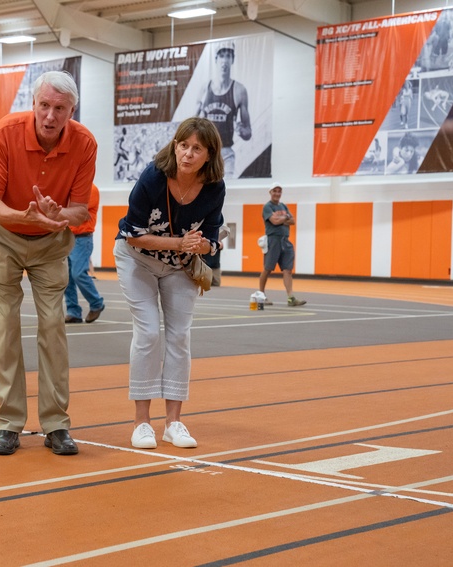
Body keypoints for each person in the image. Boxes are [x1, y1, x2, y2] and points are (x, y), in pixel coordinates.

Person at [0, 70, 96, 456]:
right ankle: (9, 423)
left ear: (71, 110)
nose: (50, 116)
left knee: (52, 327)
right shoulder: (5, 134)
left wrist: (58, 213)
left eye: (59, 108)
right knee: (6, 325)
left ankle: (56, 424)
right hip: (2, 237)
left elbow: (80, 211)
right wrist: (23, 217)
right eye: (44, 105)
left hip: (50, 241)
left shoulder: (84, 144)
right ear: (33, 103)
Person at [114, 117, 225, 450]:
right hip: (138, 259)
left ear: (209, 155)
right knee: (148, 332)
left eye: (196, 149)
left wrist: (202, 246)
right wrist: (179, 243)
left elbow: (213, 238)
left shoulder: (215, 187)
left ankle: (173, 422)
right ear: (174, 146)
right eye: (183, 145)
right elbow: (133, 234)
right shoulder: (153, 177)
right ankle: (141, 423)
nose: (187, 154)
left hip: (179, 266)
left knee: (179, 336)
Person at [196, 41, 252, 178]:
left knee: (226, 192)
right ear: (216, 59)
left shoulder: (239, 90)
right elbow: (192, 125)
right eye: (222, 55)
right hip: (206, 152)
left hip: (226, 152)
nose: (224, 60)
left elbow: (248, 132)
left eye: (228, 56)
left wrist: (240, 130)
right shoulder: (205, 88)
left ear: (232, 59)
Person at [258, 184, 306, 307]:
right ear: (270, 192)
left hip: (286, 240)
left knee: (288, 270)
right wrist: (285, 218)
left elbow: (293, 221)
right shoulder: (267, 207)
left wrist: (281, 218)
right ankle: (261, 295)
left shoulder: (283, 206)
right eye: (275, 191)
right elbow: (274, 221)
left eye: (279, 191)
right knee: (267, 268)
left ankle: (291, 298)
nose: (277, 193)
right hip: (273, 240)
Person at [64, 183, 105, 324]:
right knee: (66, 277)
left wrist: (65, 210)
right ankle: (73, 312)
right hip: (66, 236)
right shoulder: (71, 188)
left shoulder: (91, 189)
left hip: (82, 238)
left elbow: (78, 212)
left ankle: (97, 303)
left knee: (78, 273)